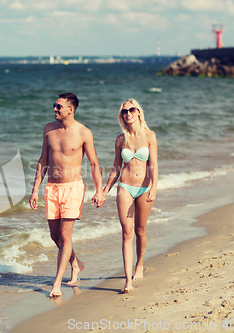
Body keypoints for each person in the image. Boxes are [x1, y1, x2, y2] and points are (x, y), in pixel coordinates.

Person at [30, 92, 106, 298]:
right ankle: (76, 263)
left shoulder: (83, 132)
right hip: (52, 188)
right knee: (55, 236)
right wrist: (35, 189)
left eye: (58, 106)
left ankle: (56, 283)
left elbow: (94, 164)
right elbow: (43, 159)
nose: (54, 109)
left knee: (65, 235)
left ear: (70, 109)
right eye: (54, 105)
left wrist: (99, 190)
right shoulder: (48, 130)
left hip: (73, 188)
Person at [102, 98, 158, 294]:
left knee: (140, 230)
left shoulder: (150, 136)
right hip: (124, 187)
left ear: (138, 112)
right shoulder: (120, 140)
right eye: (124, 111)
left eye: (131, 110)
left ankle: (140, 263)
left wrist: (154, 187)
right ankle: (128, 281)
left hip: (144, 188)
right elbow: (115, 169)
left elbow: (154, 165)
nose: (128, 114)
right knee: (126, 233)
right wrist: (103, 191)